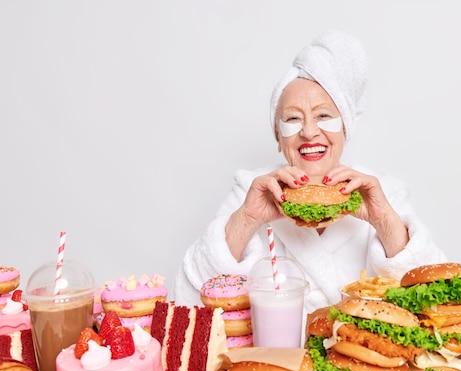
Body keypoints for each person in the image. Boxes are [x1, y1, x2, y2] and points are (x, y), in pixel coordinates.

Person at [174, 30, 446, 312]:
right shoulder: (250, 193)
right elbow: (189, 302)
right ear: (278, 138)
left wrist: (383, 220)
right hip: (273, 354)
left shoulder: (383, 193)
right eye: (292, 119)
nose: (308, 131)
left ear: (345, 128)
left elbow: (440, 303)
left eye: (323, 116)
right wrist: (248, 219)